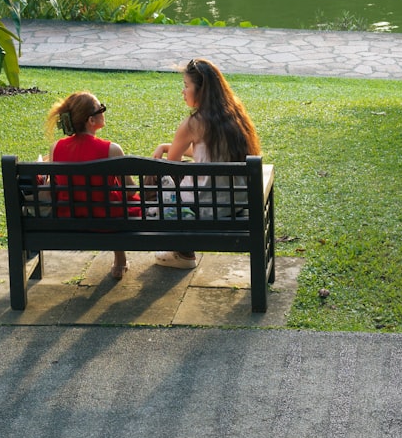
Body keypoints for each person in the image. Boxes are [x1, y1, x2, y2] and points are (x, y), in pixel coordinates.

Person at [151, 57, 261, 269]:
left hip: (206, 207)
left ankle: (182, 251)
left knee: (161, 180)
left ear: (200, 90)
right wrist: (166, 146)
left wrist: (166, 151)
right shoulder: (235, 117)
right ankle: (183, 250)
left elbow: (170, 165)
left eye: (186, 86)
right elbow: (211, 154)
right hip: (236, 202)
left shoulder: (193, 124)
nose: (183, 92)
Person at [46, 91, 141, 280]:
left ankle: (120, 259)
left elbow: (52, 189)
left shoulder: (56, 148)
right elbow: (130, 191)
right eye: (101, 108)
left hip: (70, 218)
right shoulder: (111, 150)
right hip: (108, 220)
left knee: (109, 201)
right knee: (118, 203)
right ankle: (120, 258)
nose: (104, 111)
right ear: (91, 120)